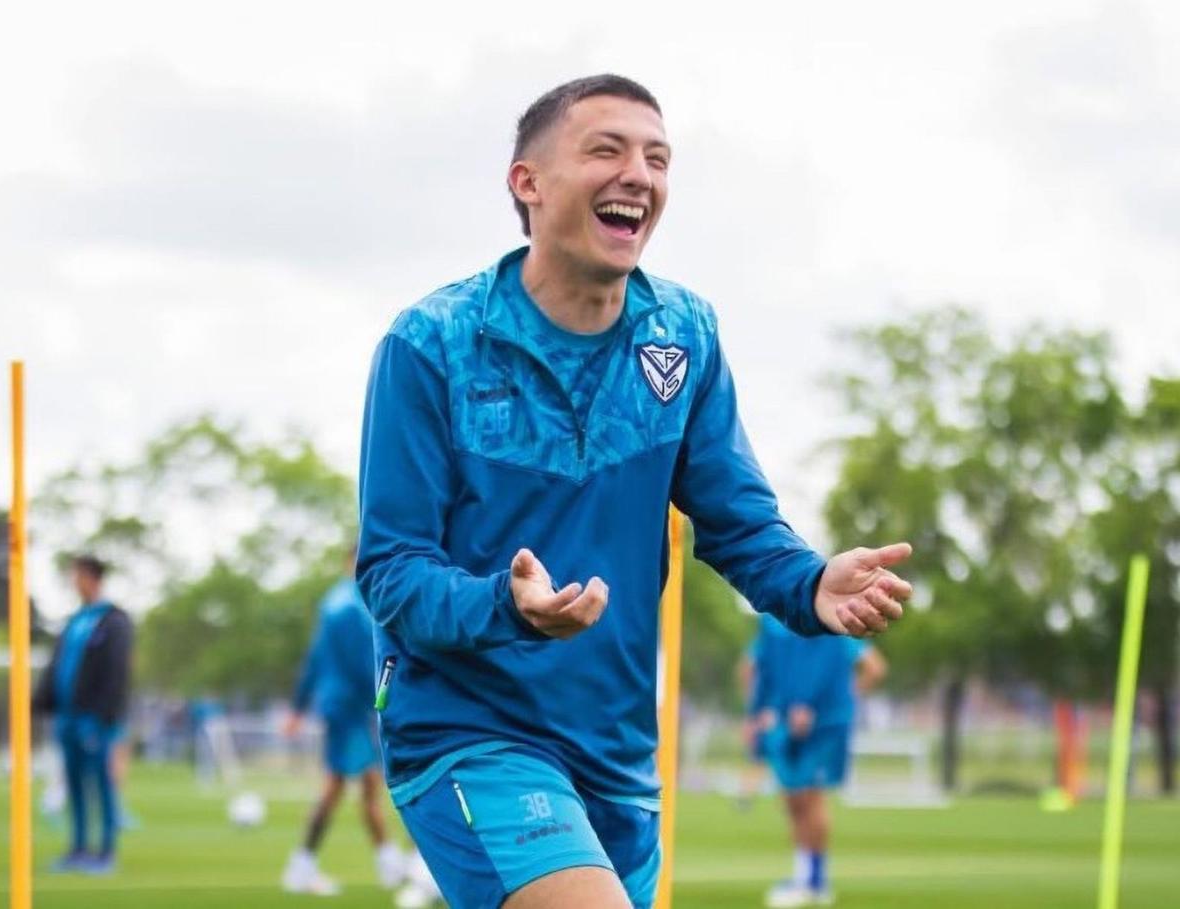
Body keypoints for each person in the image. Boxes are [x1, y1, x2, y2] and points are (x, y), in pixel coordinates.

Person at [356, 73, 914, 909]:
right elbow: (392, 570)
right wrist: (506, 608)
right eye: (607, 150)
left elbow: (736, 519)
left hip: (618, 751)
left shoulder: (684, 336)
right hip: (472, 731)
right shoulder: (431, 343)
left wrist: (807, 581)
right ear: (528, 183)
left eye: (658, 159)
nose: (640, 175)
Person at [281, 548, 408, 896]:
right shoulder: (355, 604)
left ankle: (383, 862)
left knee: (355, 784)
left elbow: (314, 659)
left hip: (337, 705)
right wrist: (383, 703)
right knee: (351, 785)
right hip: (349, 707)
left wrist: (299, 706)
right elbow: (363, 664)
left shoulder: (332, 602)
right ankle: (306, 865)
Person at [744, 615, 887, 907]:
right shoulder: (772, 623)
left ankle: (815, 881)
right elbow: (751, 667)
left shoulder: (835, 623)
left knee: (812, 797)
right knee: (793, 800)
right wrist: (761, 713)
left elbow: (874, 668)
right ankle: (804, 875)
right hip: (784, 724)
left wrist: (833, 707)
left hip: (823, 727)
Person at [32, 555, 133, 874]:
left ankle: (105, 852)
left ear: (90, 577)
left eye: (76, 575)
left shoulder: (114, 621)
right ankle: (77, 849)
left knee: (100, 785)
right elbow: (57, 666)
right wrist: (39, 702)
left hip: (95, 720)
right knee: (73, 785)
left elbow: (117, 673)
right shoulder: (74, 621)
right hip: (67, 717)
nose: (73, 581)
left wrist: (104, 716)